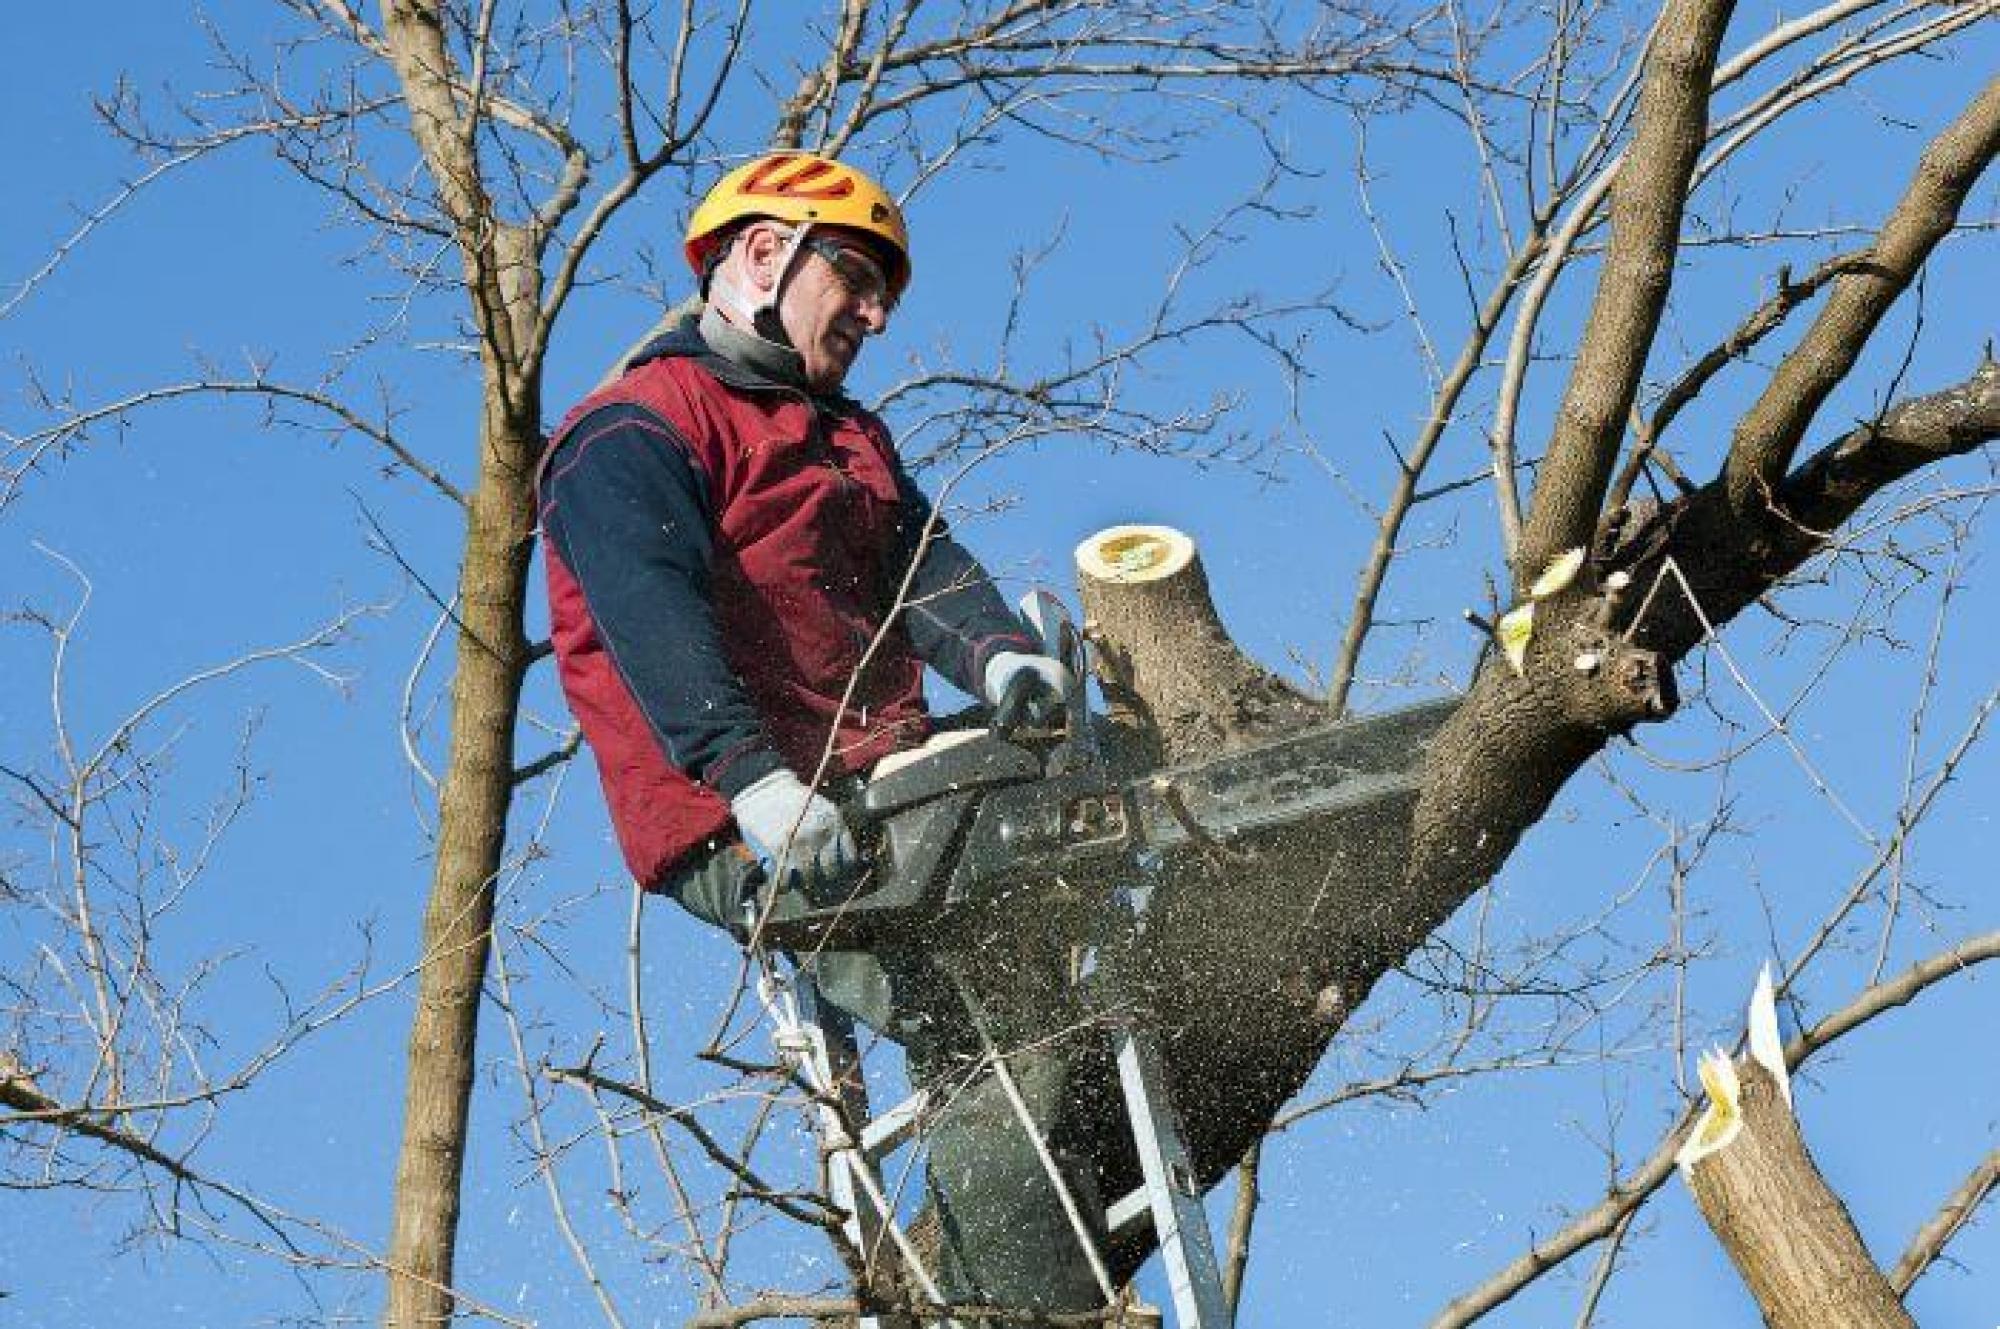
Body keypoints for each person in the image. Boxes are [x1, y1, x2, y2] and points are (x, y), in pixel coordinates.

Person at [536, 152, 1113, 1312]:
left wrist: (1000, 657)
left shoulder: (845, 434)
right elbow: (648, 615)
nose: (875, 311)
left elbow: (921, 564)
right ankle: (1033, 1314)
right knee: (990, 1015)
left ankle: (1015, 1254)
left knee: (1075, 905)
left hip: (883, 783)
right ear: (762, 253)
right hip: (740, 818)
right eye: (853, 275)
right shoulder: (631, 431)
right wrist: (748, 776)